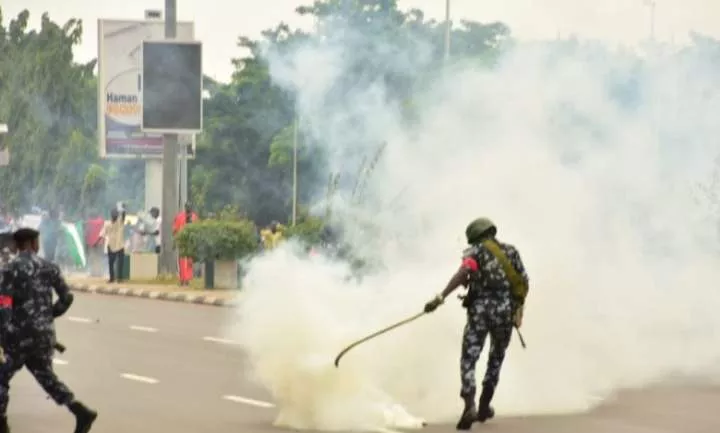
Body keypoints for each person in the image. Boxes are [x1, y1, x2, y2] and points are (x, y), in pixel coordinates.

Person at [423, 217, 529, 430]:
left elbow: (464, 272)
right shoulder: (511, 252)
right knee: (496, 359)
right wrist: (516, 310)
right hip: (505, 315)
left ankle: (469, 404)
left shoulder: (475, 253)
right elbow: (524, 282)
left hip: (480, 314)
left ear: (474, 237)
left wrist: (440, 297)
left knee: (469, 358)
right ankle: (484, 406)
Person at [0, 228, 97, 433]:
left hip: (18, 337)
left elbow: (5, 304)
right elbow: (67, 298)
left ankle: (1, 422)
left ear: (17, 246)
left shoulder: (9, 270)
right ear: (34, 244)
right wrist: (48, 316)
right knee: (47, 378)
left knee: (1, 376)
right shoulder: (50, 267)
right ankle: (80, 411)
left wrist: (4, 333)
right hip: (44, 336)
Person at [98, 207, 126, 283]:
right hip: (111, 245)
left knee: (120, 263)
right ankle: (112, 278)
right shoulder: (107, 223)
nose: (114, 216)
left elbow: (123, 216)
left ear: (117, 215)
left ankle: (120, 278)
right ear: (111, 215)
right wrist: (97, 242)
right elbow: (102, 233)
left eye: (116, 215)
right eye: (113, 215)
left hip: (120, 245)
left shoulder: (120, 222)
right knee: (111, 263)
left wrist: (123, 210)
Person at [173, 203, 198, 285]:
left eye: (190, 207)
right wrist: (176, 239)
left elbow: (197, 229)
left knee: (190, 261)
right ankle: (182, 279)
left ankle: (188, 279)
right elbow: (175, 229)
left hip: (191, 242)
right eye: (187, 207)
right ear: (185, 208)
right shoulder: (180, 217)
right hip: (182, 242)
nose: (188, 208)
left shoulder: (194, 217)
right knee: (182, 261)